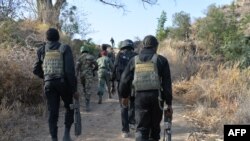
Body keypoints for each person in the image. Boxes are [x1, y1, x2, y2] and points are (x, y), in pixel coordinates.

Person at [119, 35, 173, 141]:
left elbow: (124, 80)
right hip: (157, 99)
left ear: (143, 46)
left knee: (141, 129)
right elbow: (167, 84)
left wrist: (125, 96)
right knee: (155, 128)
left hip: (139, 99)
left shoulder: (133, 60)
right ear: (156, 46)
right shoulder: (162, 60)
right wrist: (169, 104)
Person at [33, 28, 78, 141]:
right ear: (58, 37)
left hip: (49, 85)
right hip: (63, 84)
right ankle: (66, 135)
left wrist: (46, 78)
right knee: (70, 107)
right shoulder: (64, 48)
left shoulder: (41, 50)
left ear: (46, 38)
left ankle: (54, 138)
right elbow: (69, 71)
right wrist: (74, 90)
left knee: (53, 112)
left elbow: (35, 69)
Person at [111, 39, 137, 138]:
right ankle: (132, 122)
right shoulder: (136, 55)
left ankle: (125, 130)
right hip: (134, 84)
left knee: (123, 106)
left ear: (122, 46)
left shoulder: (119, 55)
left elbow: (114, 69)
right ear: (131, 46)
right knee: (133, 103)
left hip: (121, 84)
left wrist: (112, 84)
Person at [76, 46, 98, 111]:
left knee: (84, 88)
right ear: (87, 50)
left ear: (81, 51)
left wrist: (76, 75)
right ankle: (87, 104)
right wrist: (93, 70)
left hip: (82, 75)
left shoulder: (79, 58)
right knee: (88, 88)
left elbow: (77, 67)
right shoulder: (91, 57)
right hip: (89, 75)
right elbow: (96, 65)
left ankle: (86, 101)